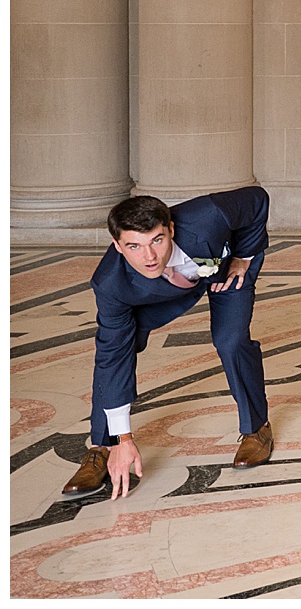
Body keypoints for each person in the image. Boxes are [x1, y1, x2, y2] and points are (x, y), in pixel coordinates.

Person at [62, 187, 275, 499]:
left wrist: (244, 255)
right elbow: (112, 356)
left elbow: (257, 201)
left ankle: (257, 429)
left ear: (171, 229)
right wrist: (123, 438)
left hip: (223, 270)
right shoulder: (111, 283)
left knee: (230, 340)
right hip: (157, 293)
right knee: (115, 350)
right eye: (134, 246)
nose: (148, 256)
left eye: (157, 241)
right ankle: (103, 446)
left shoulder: (209, 215)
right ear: (118, 246)